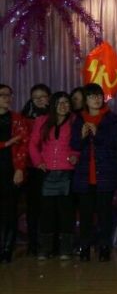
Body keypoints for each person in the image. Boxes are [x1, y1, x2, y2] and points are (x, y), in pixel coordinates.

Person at [70, 83, 117, 262]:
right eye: (92, 96)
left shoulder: (111, 119)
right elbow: (74, 145)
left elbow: (116, 143)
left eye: (99, 96)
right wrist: (82, 136)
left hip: (105, 173)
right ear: (85, 100)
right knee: (85, 214)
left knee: (105, 214)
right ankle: (85, 247)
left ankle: (104, 247)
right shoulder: (78, 119)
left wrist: (98, 134)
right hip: (84, 175)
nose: (96, 99)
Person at [28, 92, 79, 261]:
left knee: (66, 212)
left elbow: (79, 144)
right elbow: (33, 145)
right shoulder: (42, 121)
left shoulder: (75, 121)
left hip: (67, 171)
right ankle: (46, 248)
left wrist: (75, 155)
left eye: (66, 102)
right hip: (47, 172)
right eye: (59, 103)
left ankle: (66, 249)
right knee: (47, 212)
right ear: (53, 105)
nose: (63, 106)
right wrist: (38, 162)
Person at [0, 85, 29, 263]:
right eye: (2, 95)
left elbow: (24, 144)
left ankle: (7, 250)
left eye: (9, 95)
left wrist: (19, 169)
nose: (7, 98)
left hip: (10, 168)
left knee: (10, 210)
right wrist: (6, 143)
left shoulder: (17, 118)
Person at [21, 83, 50, 256]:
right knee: (33, 207)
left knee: (49, 206)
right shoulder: (24, 117)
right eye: (35, 98)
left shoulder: (57, 116)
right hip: (31, 168)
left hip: (51, 167)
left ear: (49, 97)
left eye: (42, 96)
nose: (39, 100)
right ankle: (33, 243)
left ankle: (49, 243)